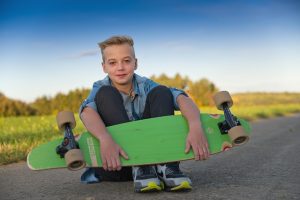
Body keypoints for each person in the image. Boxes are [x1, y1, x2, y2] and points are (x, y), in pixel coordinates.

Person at [79, 35, 209, 192]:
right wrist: (104, 138)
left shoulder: (145, 84)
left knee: (162, 91)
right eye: (112, 63)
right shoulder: (100, 87)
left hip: (154, 159)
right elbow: (87, 112)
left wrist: (195, 125)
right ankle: (140, 168)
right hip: (118, 161)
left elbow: (181, 98)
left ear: (136, 63)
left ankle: (167, 166)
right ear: (104, 67)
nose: (120, 67)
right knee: (106, 93)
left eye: (126, 61)